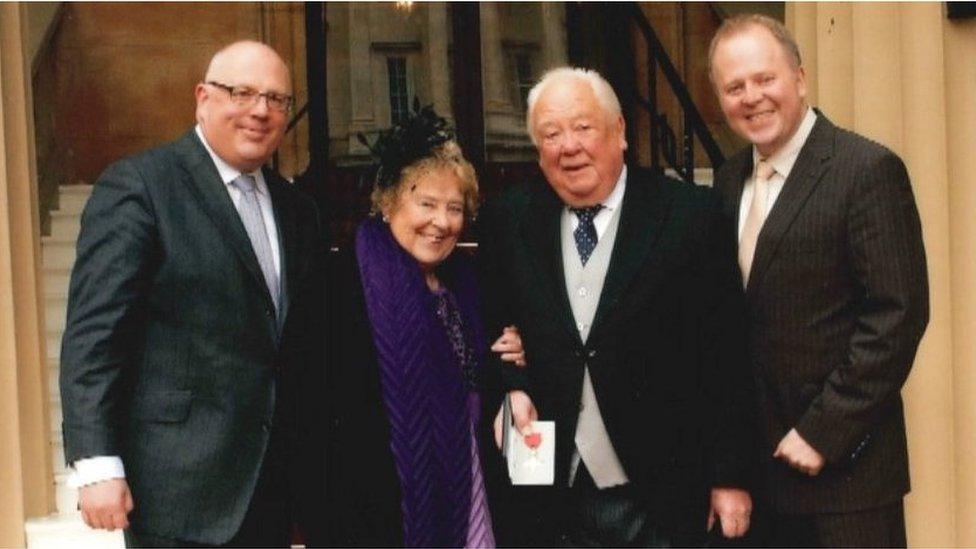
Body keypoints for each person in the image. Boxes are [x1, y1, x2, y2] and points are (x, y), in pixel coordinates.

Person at [59, 40, 327, 547]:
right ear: (202, 98)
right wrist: (95, 462)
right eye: (242, 92)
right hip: (176, 488)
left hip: (269, 486)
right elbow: (94, 336)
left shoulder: (298, 211)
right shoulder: (142, 186)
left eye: (277, 99)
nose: (260, 111)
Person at [477, 67, 756, 547]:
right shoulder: (509, 219)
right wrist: (512, 386)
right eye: (551, 134)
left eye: (583, 127)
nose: (569, 146)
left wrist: (730, 477)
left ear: (619, 131)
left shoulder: (689, 215)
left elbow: (727, 354)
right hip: (550, 498)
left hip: (658, 493)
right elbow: (493, 326)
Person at [708, 15, 929, 547]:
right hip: (759, 481)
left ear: (801, 79)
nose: (752, 97)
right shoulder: (727, 179)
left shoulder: (866, 170)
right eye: (734, 87)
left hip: (846, 479)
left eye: (765, 79)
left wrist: (822, 433)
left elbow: (897, 316)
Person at [319, 104, 524, 547]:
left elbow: (492, 379)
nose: (442, 222)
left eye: (455, 208)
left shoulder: (470, 285)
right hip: (383, 518)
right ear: (389, 201)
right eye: (426, 203)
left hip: (473, 495)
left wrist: (516, 359)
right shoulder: (339, 288)